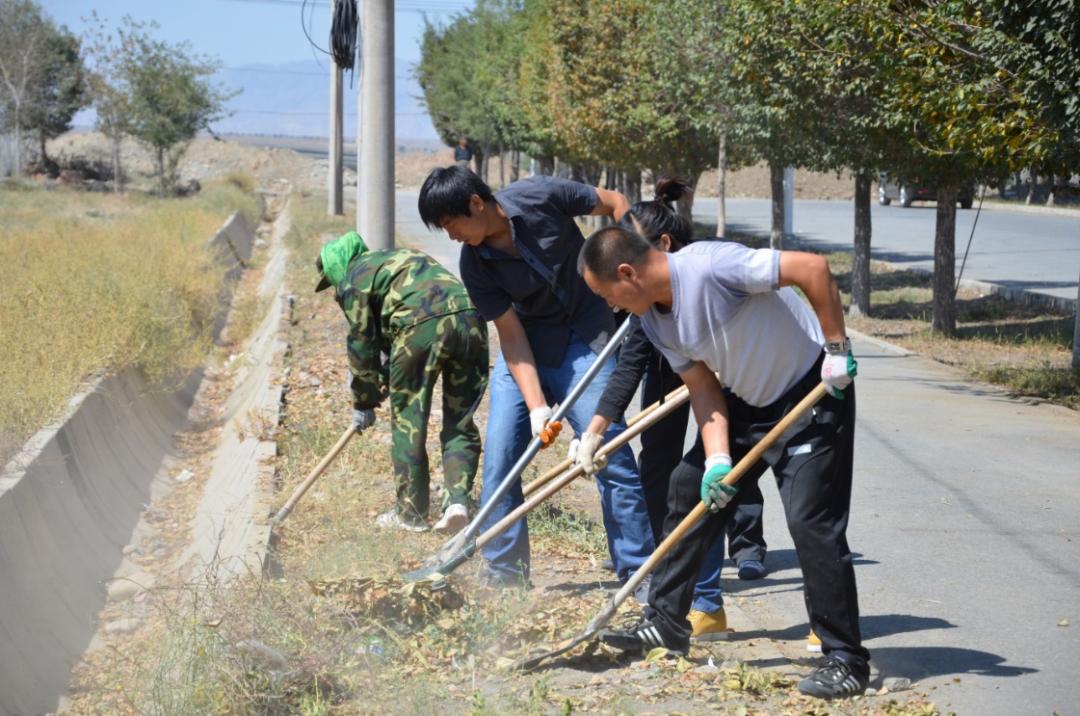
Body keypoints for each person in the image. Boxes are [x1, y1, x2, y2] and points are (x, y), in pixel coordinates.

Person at [579, 226, 869, 699]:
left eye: (606, 294)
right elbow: (702, 387)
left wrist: (836, 348)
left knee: (810, 521)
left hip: (812, 392)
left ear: (627, 273)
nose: (609, 307)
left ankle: (846, 658)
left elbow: (811, 269)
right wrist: (716, 460)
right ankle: (666, 622)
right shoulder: (654, 320)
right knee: (689, 486)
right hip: (745, 402)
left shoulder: (711, 266)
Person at [417, 165, 655, 589]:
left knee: (610, 453)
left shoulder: (540, 196)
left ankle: (638, 574)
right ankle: (506, 577)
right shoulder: (475, 265)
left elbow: (615, 203)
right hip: (525, 351)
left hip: (586, 337)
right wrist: (537, 407)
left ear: (476, 203)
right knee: (500, 461)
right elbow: (510, 336)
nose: (452, 237)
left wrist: (641, 267)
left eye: (452, 225)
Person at [568, 178, 770, 643]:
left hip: (732, 388)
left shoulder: (707, 278)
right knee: (664, 477)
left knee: (722, 482)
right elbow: (629, 368)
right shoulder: (647, 311)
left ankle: (725, 574)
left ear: (659, 248)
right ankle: (682, 588)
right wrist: (595, 430)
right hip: (671, 384)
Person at [315, 230, 489, 533]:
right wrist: (382, 377)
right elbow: (386, 342)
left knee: (410, 421)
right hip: (471, 319)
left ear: (337, 268)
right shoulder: (396, 260)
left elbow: (362, 346)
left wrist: (364, 400)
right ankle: (457, 502)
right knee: (460, 421)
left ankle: (411, 514)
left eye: (332, 281)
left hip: (421, 327)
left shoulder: (354, 278)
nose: (335, 290)